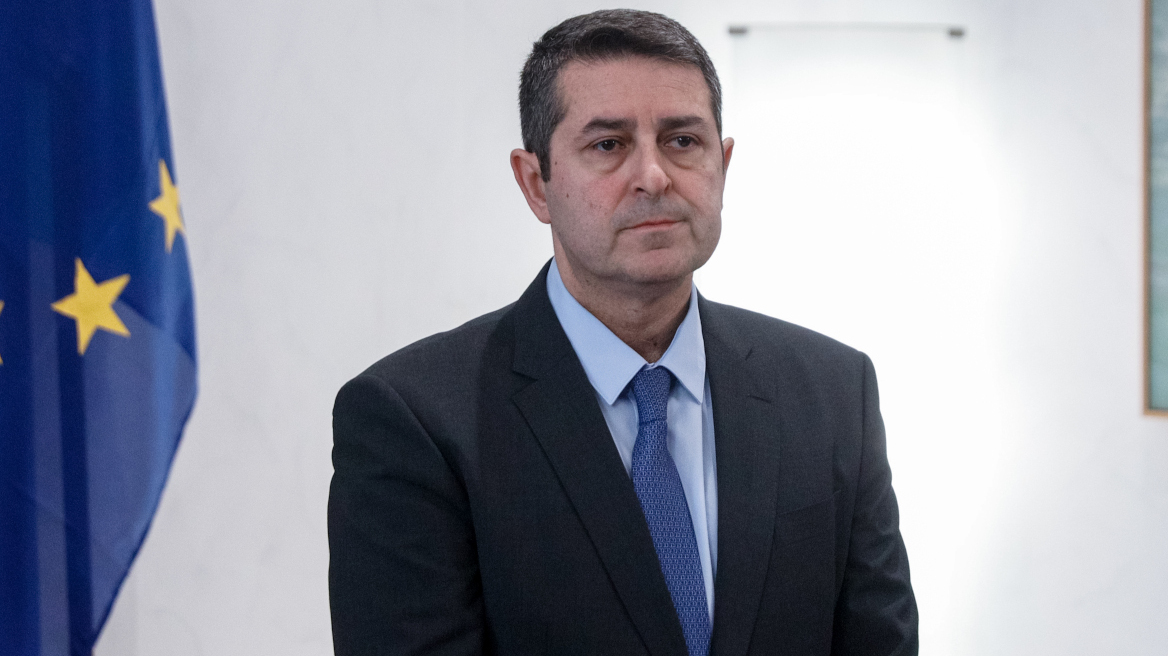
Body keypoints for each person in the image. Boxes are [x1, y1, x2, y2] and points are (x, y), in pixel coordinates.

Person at [328, 9, 917, 656]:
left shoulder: (834, 393)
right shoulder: (416, 419)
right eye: (608, 145)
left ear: (722, 166)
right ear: (536, 184)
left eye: (682, 140)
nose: (654, 176)